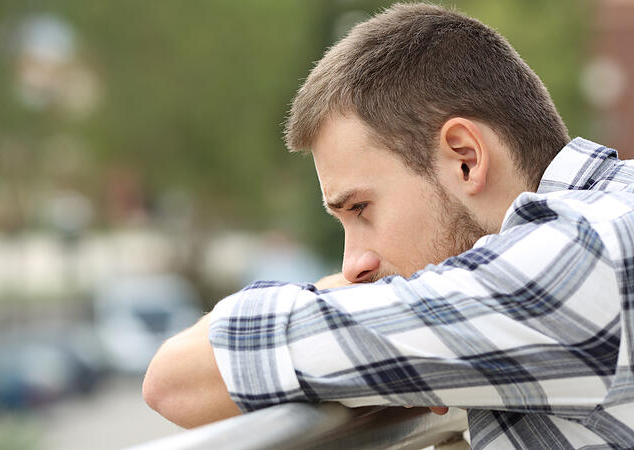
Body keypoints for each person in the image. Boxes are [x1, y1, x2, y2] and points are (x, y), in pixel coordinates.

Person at [142, 3, 634, 448]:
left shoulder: (579, 260)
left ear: (465, 159)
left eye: (360, 210)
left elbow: (178, 380)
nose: (352, 264)